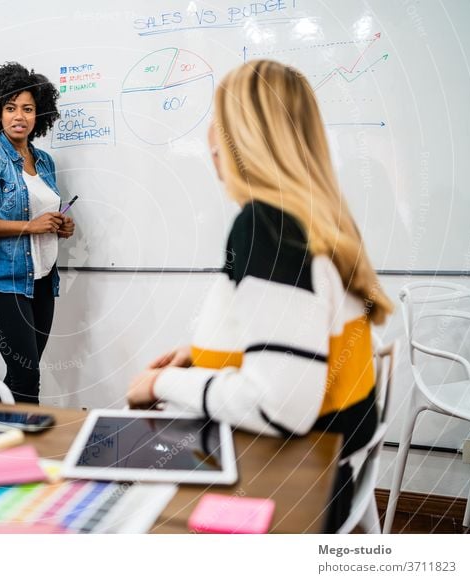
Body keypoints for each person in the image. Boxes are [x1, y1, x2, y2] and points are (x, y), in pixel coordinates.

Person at [126, 59, 394, 532]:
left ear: (238, 136)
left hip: (286, 480)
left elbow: (280, 406)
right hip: (323, 470)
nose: (210, 136)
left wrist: (159, 385)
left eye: (218, 121)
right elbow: (301, 341)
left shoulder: (267, 227)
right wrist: (208, 354)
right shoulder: (319, 219)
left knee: (110, 496)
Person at [0, 62, 74, 404]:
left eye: (27, 109)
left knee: (25, 371)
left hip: (41, 277)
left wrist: (61, 224)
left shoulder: (45, 162)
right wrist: (30, 227)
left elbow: (41, 212)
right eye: (10, 108)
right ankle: (27, 448)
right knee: (27, 375)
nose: (18, 116)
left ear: (39, 115)